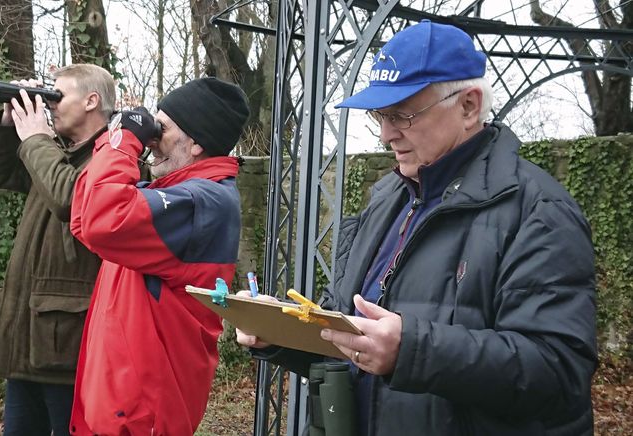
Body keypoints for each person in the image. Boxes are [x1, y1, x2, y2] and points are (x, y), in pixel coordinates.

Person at [237, 20, 597, 435]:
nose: (387, 134)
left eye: (403, 114)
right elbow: (347, 334)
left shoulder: (538, 211)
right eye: (380, 115)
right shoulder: (387, 197)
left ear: (468, 106)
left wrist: (411, 351)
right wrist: (279, 335)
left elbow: (558, 370)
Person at [67, 77, 250, 435]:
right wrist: (113, 140)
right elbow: (83, 217)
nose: (152, 139)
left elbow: (102, 219)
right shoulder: (182, 193)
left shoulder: (202, 203)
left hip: (142, 415)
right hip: (122, 407)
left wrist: (124, 142)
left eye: (161, 128)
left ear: (196, 142)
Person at [0, 63, 117, 436]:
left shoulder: (113, 158)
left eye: (57, 96)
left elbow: (72, 201)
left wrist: (35, 138)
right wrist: (9, 126)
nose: (50, 106)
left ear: (91, 101)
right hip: (27, 339)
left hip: (69, 347)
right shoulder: (60, 154)